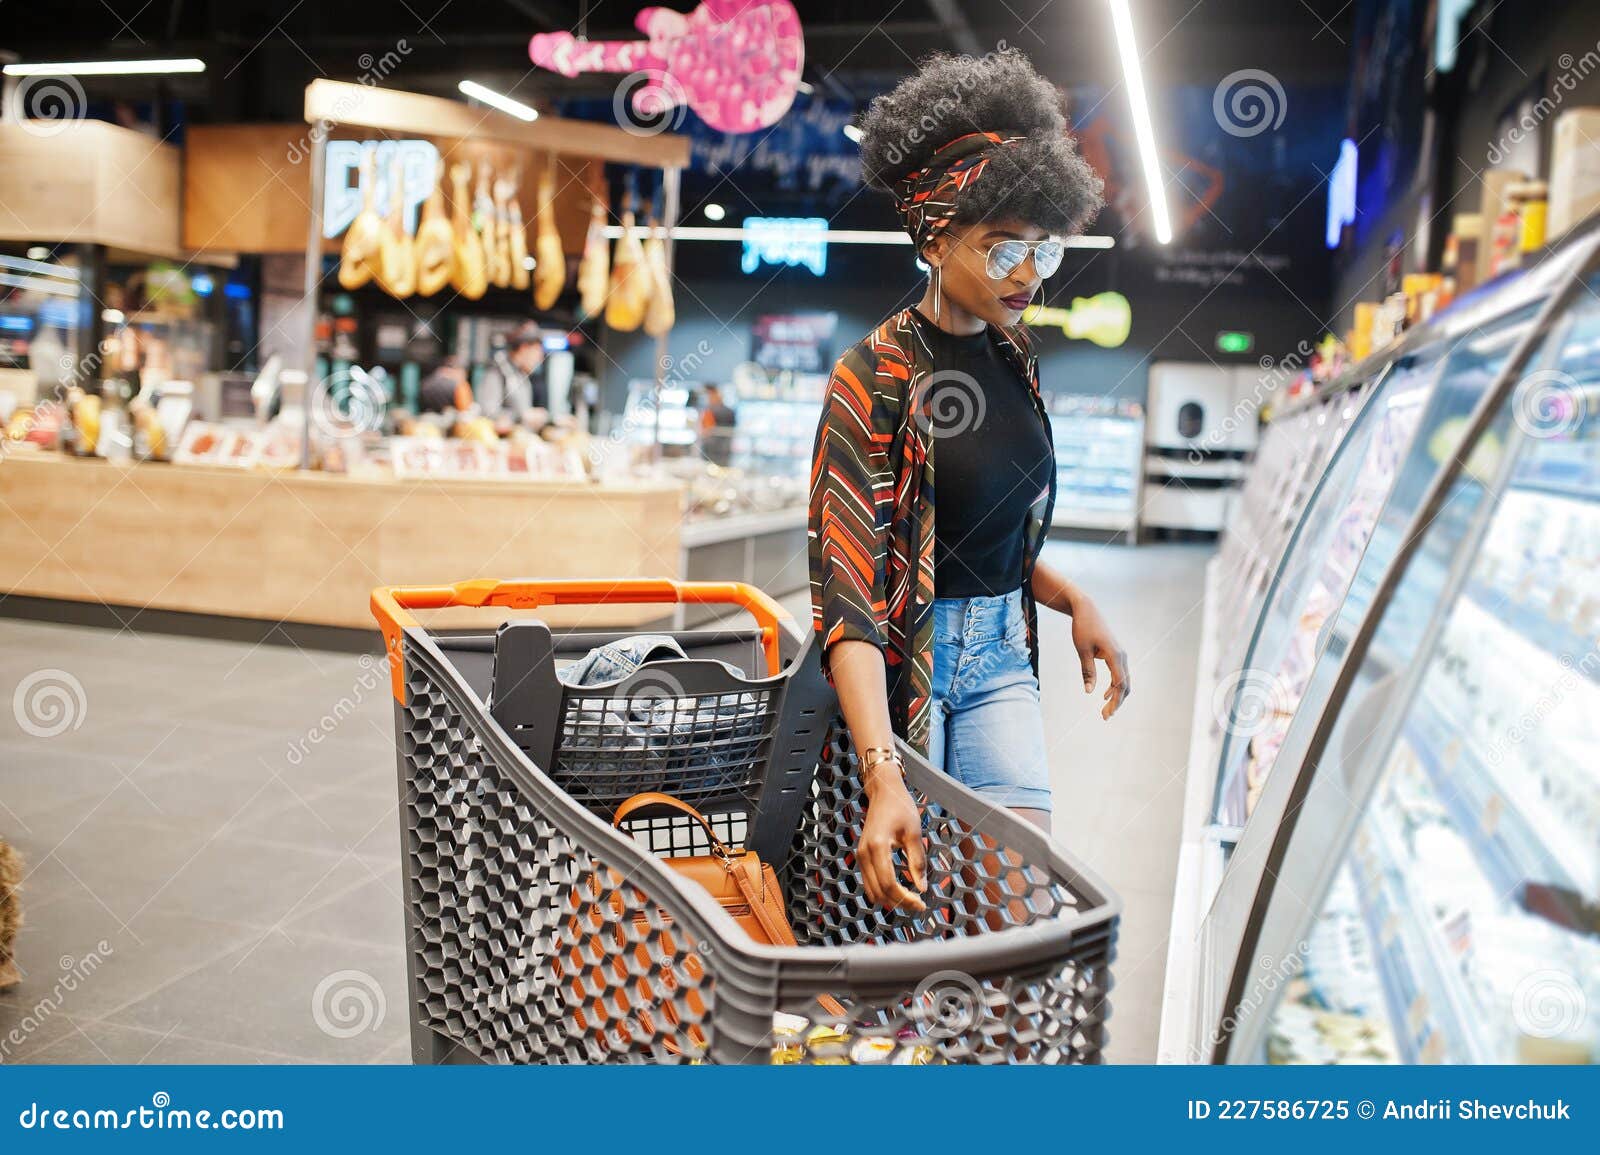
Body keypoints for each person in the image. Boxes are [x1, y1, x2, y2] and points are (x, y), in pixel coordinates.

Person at [808, 49, 1132, 913]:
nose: (1026, 274)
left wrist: (1072, 598)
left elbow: (981, 533)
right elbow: (847, 596)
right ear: (935, 237)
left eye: (1041, 249)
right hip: (896, 666)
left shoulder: (1015, 356)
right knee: (901, 924)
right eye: (1001, 251)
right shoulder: (870, 377)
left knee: (1012, 911)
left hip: (1000, 658)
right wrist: (882, 775)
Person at [478, 323, 552, 427]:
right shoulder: (498, 371)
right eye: (537, 353)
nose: (539, 360)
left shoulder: (521, 374)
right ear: (524, 348)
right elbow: (487, 412)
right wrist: (521, 416)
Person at [698, 383, 736, 467]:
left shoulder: (710, 411)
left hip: (712, 450)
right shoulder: (729, 411)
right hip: (723, 451)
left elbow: (707, 430)